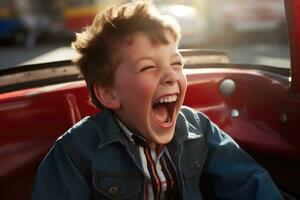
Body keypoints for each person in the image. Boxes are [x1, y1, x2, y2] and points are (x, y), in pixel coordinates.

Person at [31, 1, 283, 199]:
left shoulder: (197, 128)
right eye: (148, 67)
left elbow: (248, 182)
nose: (170, 76)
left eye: (176, 63)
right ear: (109, 94)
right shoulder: (75, 151)